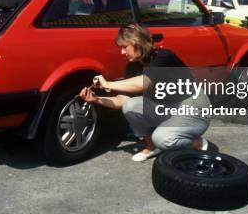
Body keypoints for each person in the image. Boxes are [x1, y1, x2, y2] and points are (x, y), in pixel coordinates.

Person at [79, 24, 210, 162]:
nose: (122, 52)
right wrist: (96, 99)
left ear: (137, 42)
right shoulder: (133, 66)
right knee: (130, 105)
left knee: (163, 139)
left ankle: (196, 143)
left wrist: (107, 84)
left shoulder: (163, 57)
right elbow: (122, 100)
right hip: (167, 107)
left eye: (125, 47)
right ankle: (151, 146)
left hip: (193, 106)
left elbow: (145, 82)